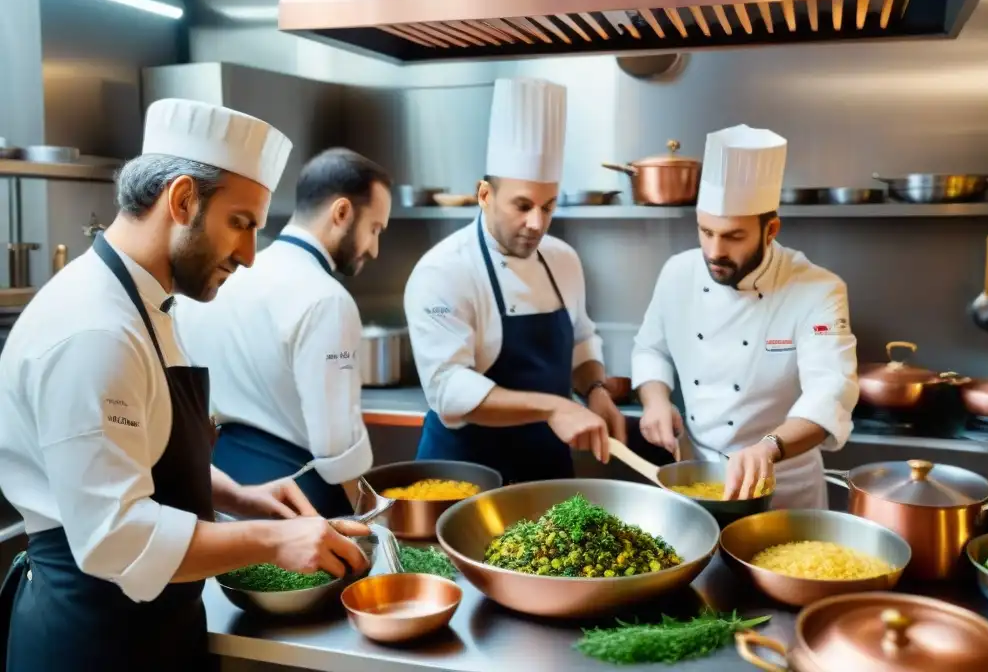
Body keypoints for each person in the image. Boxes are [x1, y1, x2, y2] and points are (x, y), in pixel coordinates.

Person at [0, 99, 371, 672]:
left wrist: (237, 495)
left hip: (153, 627)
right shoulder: (93, 328)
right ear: (181, 200)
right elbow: (113, 535)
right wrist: (271, 541)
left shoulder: (147, 303)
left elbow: (139, 453)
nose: (249, 256)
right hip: (92, 639)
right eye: (241, 224)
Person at [404, 77, 625, 485]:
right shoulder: (444, 271)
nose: (536, 223)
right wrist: (554, 408)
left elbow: (581, 339)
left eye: (548, 206)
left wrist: (595, 389)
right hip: (465, 478)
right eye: (522, 206)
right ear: (484, 194)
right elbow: (449, 390)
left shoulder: (563, 259)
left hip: (547, 473)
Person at [632, 124, 858, 509]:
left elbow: (830, 391)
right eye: (705, 232)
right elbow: (650, 349)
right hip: (696, 475)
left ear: (770, 230)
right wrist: (655, 401)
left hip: (784, 484)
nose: (714, 251)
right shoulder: (677, 272)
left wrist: (768, 448)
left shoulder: (818, 289)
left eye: (733, 236)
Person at [172, 148, 393, 519]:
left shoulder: (216, 281)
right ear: (341, 213)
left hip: (220, 490)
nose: (373, 248)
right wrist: (374, 516)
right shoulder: (327, 299)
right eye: (374, 229)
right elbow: (335, 448)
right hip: (300, 504)